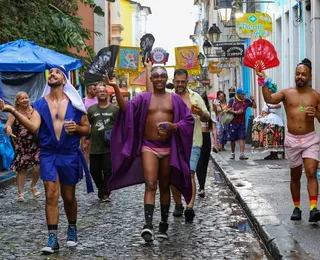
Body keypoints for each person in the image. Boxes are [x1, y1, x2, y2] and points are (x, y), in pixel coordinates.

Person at [0, 65, 93, 254]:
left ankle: (72, 228)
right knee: (51, 195)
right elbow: (34, 127)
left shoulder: (75, 104)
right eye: (50, 73)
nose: (52, 74)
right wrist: (11, 109)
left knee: (68, 197)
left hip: (68, 153)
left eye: (57, 72)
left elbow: (87, 129)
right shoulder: (40, 104)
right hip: (49, 153)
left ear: (64, 80)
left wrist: (77, 128)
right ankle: (52, 239)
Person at [105, 66, 194, 242]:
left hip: (169, 148)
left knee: (165, 185)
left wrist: (175, 126)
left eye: (162, 76)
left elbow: (188, 120)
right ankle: (148, 225)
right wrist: (115, 86)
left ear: (166, 78)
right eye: (156, 76)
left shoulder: (174, 99)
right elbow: (126, 109)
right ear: (151, 79)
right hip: (149, 147)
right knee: (151, 184)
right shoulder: (144, 98)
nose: (159, 79)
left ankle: (163, 224)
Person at [256, 58, 320, 223]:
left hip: (310, 139)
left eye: (303, 74)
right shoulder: (286, 93)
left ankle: (313, 208)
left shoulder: (315, 96)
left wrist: (317, 115)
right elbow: (270, 99)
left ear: (310, 76)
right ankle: (297, 207)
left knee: (311, 171)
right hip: (292, 140)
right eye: (297, 74)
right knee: (295, 175)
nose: (299, 77)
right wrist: (263, 80)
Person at [146, 64, 209, 222]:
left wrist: (201, 113)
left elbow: (207, 117)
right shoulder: (168, 97)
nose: (180, 84)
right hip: (173, 142)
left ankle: (189, 206)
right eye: (178, 82)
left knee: (190, 173)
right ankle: (178, 203)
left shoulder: (195, 97)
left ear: (187, 81)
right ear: (173, 81)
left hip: (193, 141)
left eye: (183, 82)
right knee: (173, 174)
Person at [4, 92, 41, 202]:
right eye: (22, 99)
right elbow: (7, 125)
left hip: (35, 143)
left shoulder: (34, 111)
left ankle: (33, 185)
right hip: (22, 145)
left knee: (38, 165)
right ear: (17, 101)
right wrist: (8, 128)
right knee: (22, 169)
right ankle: (20, 193)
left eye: (26, 98)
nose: (25, 100)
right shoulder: (15, 113)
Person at [87, 84, 118, 202]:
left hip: (109, 145)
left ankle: (106, 192)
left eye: (104, 91)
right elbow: (88, 125)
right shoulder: (91, 109)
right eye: (99, 91)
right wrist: (86, 140)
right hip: (95, 145)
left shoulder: (114, 109)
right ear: (96, 94)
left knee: (108, 170)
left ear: (107, 93)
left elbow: (120, 125)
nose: (102, 93)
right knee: (94, 170)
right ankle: (101, 187)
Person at [251, 87, 284, 159]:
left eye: (269, 89)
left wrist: (271, 107)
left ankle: (274, 153)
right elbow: (265, 109)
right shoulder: (267, 100)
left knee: (272, 134)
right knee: (266, 133)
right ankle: (270, 152)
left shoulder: (276, 98)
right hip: (268, 117)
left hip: (275, 119)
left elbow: (279, 105)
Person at [196, 92, 218, 198]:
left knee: (203, 164)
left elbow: (213, 129)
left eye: (203, 100)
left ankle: (202, 186)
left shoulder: (210, 113)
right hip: (195, 137)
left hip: (205, 137)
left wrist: (216, 143)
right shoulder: (193, 111)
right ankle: (199, 186)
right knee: (197, 163)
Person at [227, 88, 256, 160]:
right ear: (238, 94)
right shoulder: (232, 100)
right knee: (232, 139)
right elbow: (227, 110)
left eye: (244, 94)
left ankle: (242, 154)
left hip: (242, 123)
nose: (244, 95)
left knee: (242, 138)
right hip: (233, 123)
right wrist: (236, 112)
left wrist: (253, 99)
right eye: (242, 94)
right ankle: (232, 153)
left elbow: (254, 106)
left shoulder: (246, 101)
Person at [81, 82, 98, 163]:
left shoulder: (99, 100)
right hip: (87, 130)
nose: (96, 89)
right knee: (85, 149)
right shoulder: (83, 101)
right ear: (88, 89)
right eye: (94, 87)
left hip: (97, 129)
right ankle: (85, 171)